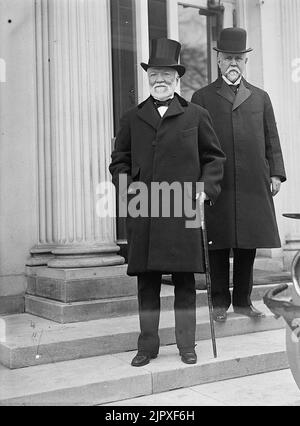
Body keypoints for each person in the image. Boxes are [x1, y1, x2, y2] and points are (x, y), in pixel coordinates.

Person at [109, 38, 225, 367]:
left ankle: (186, 345)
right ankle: (147, 346)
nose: (159, 80)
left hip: (184, 207)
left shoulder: (196, 115)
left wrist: (205, 189)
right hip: (145, 207)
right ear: (148, 79)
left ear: (178, 79)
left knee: (185, 282)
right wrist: (127, 195)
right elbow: (119, 162)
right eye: (154, 75)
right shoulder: (132, 118)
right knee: (147, 283)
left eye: (166, 75)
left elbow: (214, 159)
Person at [191, 27, 286, 322]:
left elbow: (272, 138)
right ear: (218, 61)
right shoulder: (202, 96)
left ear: (245, 62)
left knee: (248, 242)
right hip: (217, 181)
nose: (233, 63)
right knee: (217, 242)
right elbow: (194, 141)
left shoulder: (261, 97)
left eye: (238, 58)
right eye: (228, 58)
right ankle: (219, 302)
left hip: (252, 180)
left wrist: (276, 174)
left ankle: (244, 302)